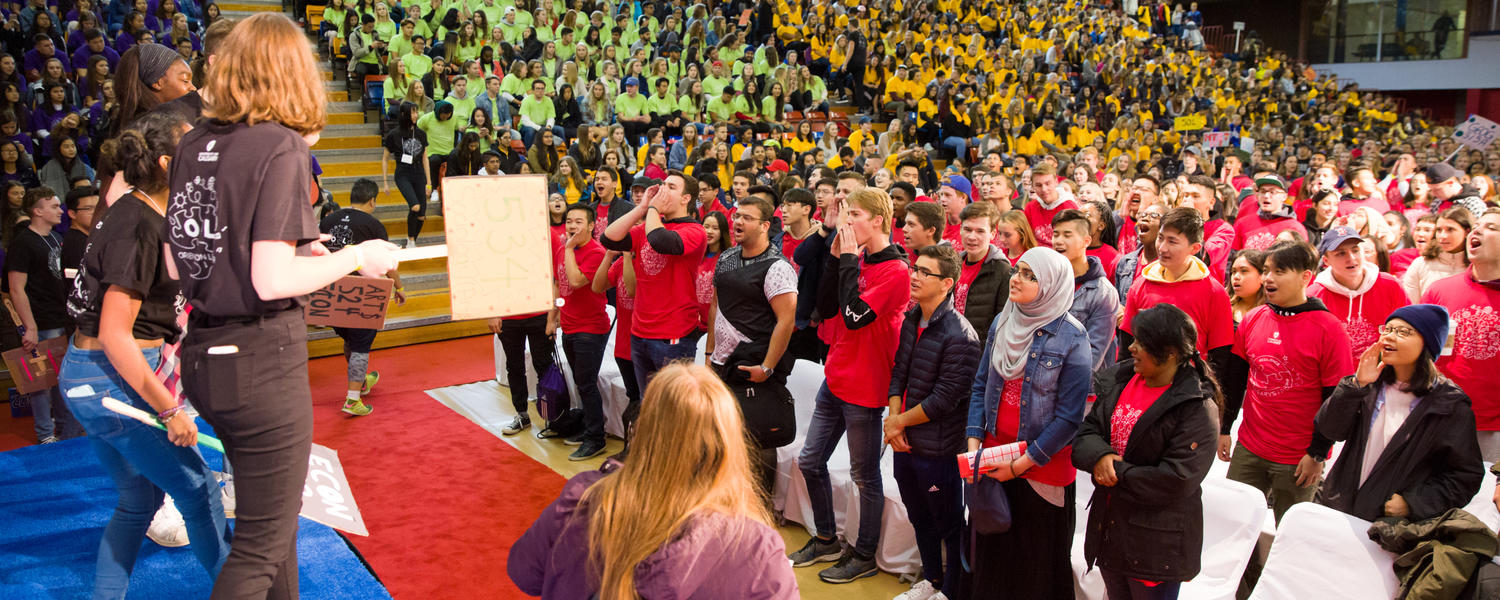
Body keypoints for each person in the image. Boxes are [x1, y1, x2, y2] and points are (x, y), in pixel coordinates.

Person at [164, 15, 399, 599]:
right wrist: (358, 255)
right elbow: (272, 282)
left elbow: (179, 262)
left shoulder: (193, 140)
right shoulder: (281, 146)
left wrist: (299, 244)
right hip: (261, 358)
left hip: (203, 354)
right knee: (262, 544)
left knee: (271, 529)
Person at [60, 111, 231, 600]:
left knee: (138, 500)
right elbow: (116, 333)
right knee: (199, 493)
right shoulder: (138, 224)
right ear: (165, 162)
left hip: (100, 375)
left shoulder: (140, 208)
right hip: (111, 378)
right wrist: (169, 407)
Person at [507, 363, 798, 598]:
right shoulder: (756, 548)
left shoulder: (584, 499)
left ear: (643, 431)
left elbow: (524, 572)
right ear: (730, 442)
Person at [789, 187, 910, 584]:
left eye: (853, 215)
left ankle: (863, 554)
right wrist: (838, 255)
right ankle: (826, 537)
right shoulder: (854, 259)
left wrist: (847, 261)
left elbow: (855, 315)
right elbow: (828, 304)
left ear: (877, 220)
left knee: (864, 477)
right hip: (837, 376)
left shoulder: (896, 271)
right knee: (809, 461)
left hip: (866, 386)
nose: (847, 222)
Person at [1073, 304, 1222, 600]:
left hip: (1155, 542)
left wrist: (1114, 471)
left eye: (1142, 342)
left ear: (1169, 353)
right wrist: (1101, 457)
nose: (1132, 347)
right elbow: (1086, 434)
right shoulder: (1121, 380)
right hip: (1111, 529)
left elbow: (1177, 479)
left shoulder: (1196, 407)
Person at [966, 247, 1091, 599]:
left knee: (1032, 566)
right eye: (1017, 270)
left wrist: (1020, 465)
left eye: (1028, 275)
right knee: (993, 557)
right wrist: (975, 444)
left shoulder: (1072, 336)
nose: (1015, 278)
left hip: (1040, 467)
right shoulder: (1003, 319)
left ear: (1051, 286)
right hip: (992, 457)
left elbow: (1069, 419)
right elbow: (981, 385)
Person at [1220, 241, 1354, 522]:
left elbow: (1336, 399)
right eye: (1267, 270)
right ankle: (1248, 569)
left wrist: (1317, 453)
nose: (1268, 278)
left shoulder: (1329, 329)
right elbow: (1235, 380)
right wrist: (1225, 427)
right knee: (1234, 522)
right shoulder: (1254, 318)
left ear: (1306, 276)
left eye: (1279, 271)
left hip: (1298, 457)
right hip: (1250, 446)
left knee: (1291, 531)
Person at [1315, 304, 1483, 522]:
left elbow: (1465, 477)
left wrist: (1413, 503)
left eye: (1403, 332)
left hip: (1390, 527)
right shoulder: (1370, 383)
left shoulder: (1448, 404)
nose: (1389, 337)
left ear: (1428, 343)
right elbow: (1330, 429)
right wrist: (1356, 385)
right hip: (1341, 509)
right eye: (1387, 329)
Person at [885, 244, 979, 600]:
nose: (916, 276)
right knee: (919, 516)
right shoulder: (912, 319)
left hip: (938, 449)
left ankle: (952, 591)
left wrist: (897, 424)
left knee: (949, 524)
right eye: (915, 268)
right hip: (905, 442)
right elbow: (899, 374)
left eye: (926, 272)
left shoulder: (961, 335)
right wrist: (895, 420)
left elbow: (944, 399)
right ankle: (932, 579)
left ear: (947, 283)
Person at [707, 195, 797, 494]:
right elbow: (716, 307)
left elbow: (786, 321)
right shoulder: (726, 257)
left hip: (755, 363)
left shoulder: (777, 266)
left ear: (765, 225)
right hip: (722, 363)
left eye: (746, 217)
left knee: (758, 436)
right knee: (722, 435)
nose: (738, 222)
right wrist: (709, 354)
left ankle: (761, 507)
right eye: (736, 216)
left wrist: (768, 368)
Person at [601, 171, 708, 398]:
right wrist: (641, 208)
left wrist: (653, 210)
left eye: (670, 187)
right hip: (639, 332)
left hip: (673, 336)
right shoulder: (647, 226)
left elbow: (660, 241)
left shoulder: (695, 231)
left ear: (686, 198)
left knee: (673, 408)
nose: (662, 190)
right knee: (647, 403)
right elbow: (609, 238)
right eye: (662, 185)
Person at [318, 178, 407, 416]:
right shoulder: (373, 225)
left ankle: (363, 380)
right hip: (363, 292)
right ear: (372, 201)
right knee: (360, 346)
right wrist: (398, 286)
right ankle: (352, 399)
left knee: (350, 340)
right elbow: (386, 263)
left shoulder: (327, 220)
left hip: (331, 288)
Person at [1421, 208, 1500, 461]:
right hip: (1440, 418)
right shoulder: (1439, 291)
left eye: (1491, 227)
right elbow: (1419, 355)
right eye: (1476, 225)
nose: (1477, 230)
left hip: (1494, 430)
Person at [5, 186, 78, 443]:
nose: (60, 211)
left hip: (61, 318)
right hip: (41, 321)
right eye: (54, 206)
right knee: (40, 382)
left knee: (60, 379)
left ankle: (64, 428)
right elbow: (16, 289)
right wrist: (30, 327)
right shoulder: (23, 243)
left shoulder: (57, 238)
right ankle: (45, 434)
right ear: (38, 211)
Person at [1307, 225, 1410, 365]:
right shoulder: (1314, 296)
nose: (1351, 258)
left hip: (1385, 373)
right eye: (1340, 253)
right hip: (1337, 379)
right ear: (1326, 261)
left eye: (1355, 250)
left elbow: (1410, 329)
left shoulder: (1390, 285)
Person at [555, 203, 611, 460]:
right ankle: (589, 427)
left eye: (579, 221)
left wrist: (567, 249)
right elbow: (560, 284)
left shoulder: (596, 252)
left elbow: (576, 281)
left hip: (590, 329)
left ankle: (595, 438)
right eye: (569, 221)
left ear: (592, 226)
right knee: (580, 381)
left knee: (587, 384)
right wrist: (554, 315)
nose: (573, 226)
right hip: (568, 325)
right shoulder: (563, 250)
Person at [1053, 209, 1121, 370]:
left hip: (1076, 384)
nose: (1059, 241)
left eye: (1067, 235)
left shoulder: (1103, 292)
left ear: (1086, 241)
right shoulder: (1047, 281)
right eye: (1056, 234)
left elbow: (1092, 356)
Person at [953, 201, 1011, 335]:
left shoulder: (1003, 271)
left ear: (992, 234)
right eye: (967, 229)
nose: (972, 237)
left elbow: (1003, 323)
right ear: (960, 229)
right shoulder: (953, 264)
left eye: (980, 231)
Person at [1402, 207, 1470, 302]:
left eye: (1450, 230)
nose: (1442, 236)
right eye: (1439, 230)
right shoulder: (1421, 264)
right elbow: (1410, 306)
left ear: (1467, 231)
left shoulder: (1477, 266)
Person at [1233, 175, 1307, 251]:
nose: (1266, 196)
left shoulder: (1295, 228)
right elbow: (1232, 257)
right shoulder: (1243, 224)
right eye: (1263, 191)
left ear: (1284, 196)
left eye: (1272, 192)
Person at [1022, 163, 1078, 247]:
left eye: (1048, 184)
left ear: (1056, 182)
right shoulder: (1030, 207)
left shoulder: (1069, 207)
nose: (1044, 189)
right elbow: (1028, 239)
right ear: (1032, 186)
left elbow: (1074, 242)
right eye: (1038, 185)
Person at [61, 185, 98, 295]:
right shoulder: (75, 243)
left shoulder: (87, 237)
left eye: (98, 207)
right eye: (88, 208)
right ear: (72, 213)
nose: (95, 212)